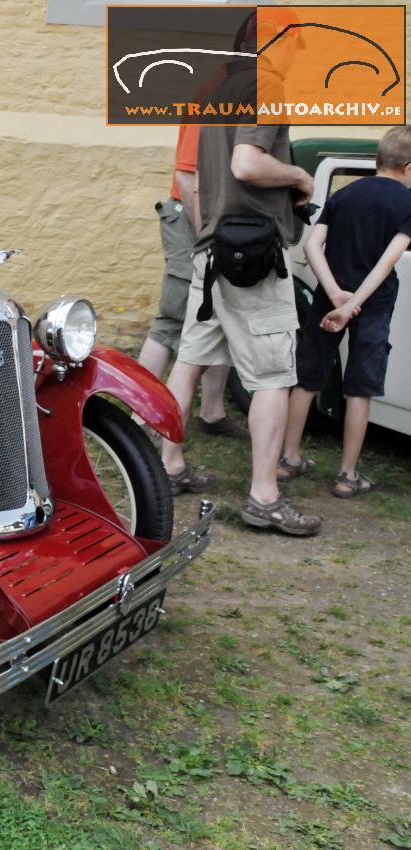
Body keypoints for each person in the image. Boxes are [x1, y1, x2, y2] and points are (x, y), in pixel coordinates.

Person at [158, 13, 321, 536]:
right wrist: (299, 175)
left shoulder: (218, 88)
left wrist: (210, 235)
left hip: (214, 249)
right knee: (274, 376)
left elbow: (197, 182)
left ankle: (168, 464)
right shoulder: (265, 84)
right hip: (253, 256)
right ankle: (265, 496)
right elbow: (248, 164)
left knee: (191, 357)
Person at [280, 126, 411, 497]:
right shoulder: (407, 204)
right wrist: (354, 305)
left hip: (328, 297)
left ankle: (289, 458)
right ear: (409, 168)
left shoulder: (344, 194)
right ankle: (347, 475)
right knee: (359, 386)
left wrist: (336, 294)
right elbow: (386, 263)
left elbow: (312, 248)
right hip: (373, 304)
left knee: (308, 377)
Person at [139, 123, 246, 444]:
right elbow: (187, 177)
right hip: (192, 223)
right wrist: (206, 235)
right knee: (172, 321)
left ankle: (212, 413)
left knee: (222, 314)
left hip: (215, 223)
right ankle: (139, 416)